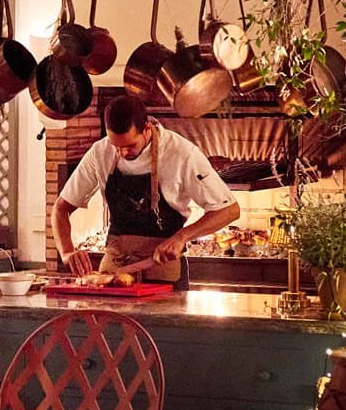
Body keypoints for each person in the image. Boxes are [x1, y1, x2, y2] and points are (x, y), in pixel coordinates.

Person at [51, 95, 240, 289]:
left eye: (130, 146)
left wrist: (182, 237)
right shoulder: (99, 152)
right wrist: (66, 252)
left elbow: (229, 210)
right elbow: (61, 208)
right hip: (116, 266)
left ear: (147, 128)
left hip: (163, 267)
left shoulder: (182, 153)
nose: (123, 153)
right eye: (116, 147)